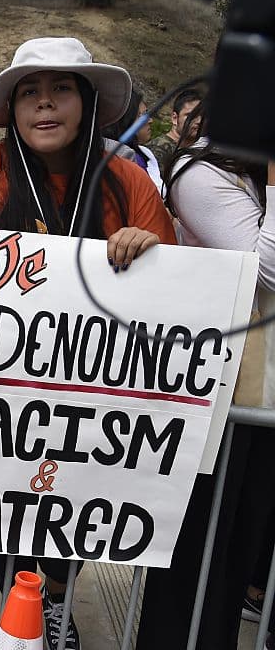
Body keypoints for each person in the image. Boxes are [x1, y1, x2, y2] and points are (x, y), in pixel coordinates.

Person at [0, 37, 177, 650]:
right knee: (8, 513)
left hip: (100, 392)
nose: (45, 104)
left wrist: (150, 252)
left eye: (61, 89)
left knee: (76, 508)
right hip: (4, 390)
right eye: (30, 91)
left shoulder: (128, 180)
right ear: (14, 108)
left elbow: (177, 294)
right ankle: (21, 605)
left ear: (87, 102)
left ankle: (58, 599)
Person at [136, 100, 275, 650]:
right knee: (203, 572)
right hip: (227, 402)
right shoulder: (200, 173)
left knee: (243, 557)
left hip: (263, 406)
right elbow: (267, 268)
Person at [102, 88, 164, 194]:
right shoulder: (113, 160)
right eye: (142, 115)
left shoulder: (146, 153)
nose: (150, 120)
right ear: (125, 121)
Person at [146, 87, 202, 172]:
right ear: (174, 118)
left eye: (202, 115)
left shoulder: (200, 148)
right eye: (191, 115)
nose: (199, 121)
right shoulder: (158, 150)